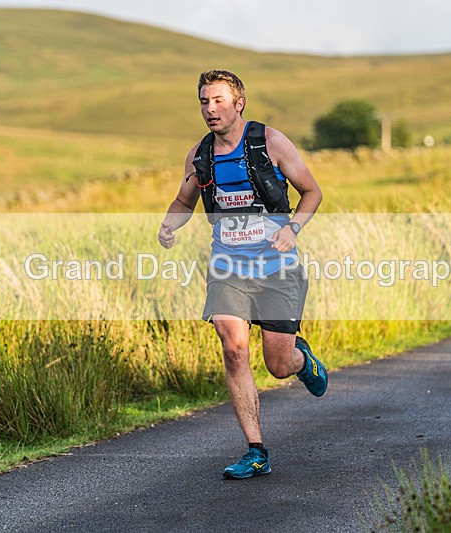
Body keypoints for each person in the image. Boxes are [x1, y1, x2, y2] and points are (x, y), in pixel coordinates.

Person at [158, 70, 328, 479]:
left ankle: (301, 360)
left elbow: (312, 191)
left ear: (239, 103)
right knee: (233, 346)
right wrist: (168, 225)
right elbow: (185, 200)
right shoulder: (200, 155)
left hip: (276, 268)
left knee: (277, 363)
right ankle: (256, 450)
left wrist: (293, 229)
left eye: (217, 100)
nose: (209, 109)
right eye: (203, 101)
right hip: (228, 268)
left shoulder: (270, 142)